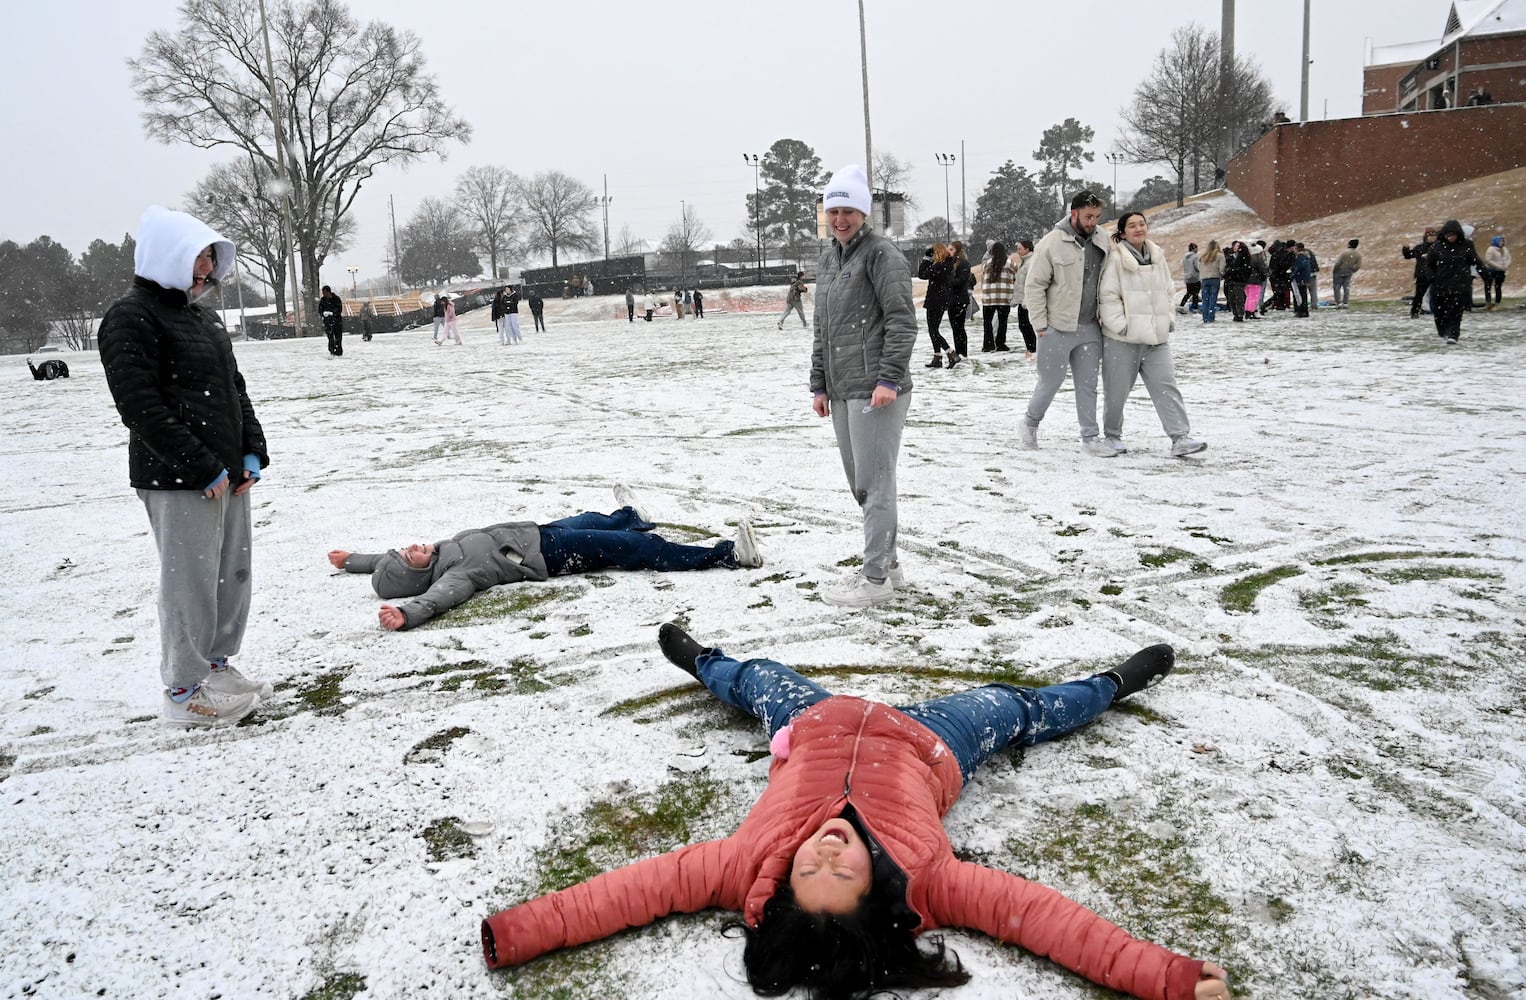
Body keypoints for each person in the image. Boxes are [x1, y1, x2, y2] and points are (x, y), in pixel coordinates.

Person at [481, 623, 1235, 1000]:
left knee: (758, 680)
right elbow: (1045, 920)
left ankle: (702, 660)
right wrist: (1164, 977)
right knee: (1020, 705)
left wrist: (517, 933)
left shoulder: (742, 869)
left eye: (811, 866)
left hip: (813, 721)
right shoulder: (930, 882)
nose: (826, 850)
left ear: (784, 887)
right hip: (931, 741)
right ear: (873, 891)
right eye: (841, 869)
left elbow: (625, 894)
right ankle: (1113, 682)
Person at [97, 206, 272, 727]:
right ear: (167, 255)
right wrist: (199, 467)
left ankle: (215, 667)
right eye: (197, 257)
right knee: (188, 582)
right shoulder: (130, 316)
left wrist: (249, 452)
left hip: (227, 474)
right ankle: (182, 691)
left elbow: (233, 389)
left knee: (230, 576)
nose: (206, 269)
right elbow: (139, 405)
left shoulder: (204, 317)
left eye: (210, 258)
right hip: (177, 478)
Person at [327, 487, 763, 631]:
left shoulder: (437, 550)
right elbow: (439, 598)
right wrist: (406, 614)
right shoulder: (455, 573)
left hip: (536, 532)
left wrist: (351, 561)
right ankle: (728, 555)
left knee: (594, 518)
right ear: (415, 575)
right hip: (552, 556)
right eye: (409, 555)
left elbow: (380, 562)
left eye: (407, 546)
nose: (412, 546)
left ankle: (632, 516)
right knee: (637, 551)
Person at [810, 164, 916, 608]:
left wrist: (888, 377)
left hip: (877, 389)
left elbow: (901, 321)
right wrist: (819, 383)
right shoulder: (829, 258)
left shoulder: (881, 255)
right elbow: (823, 327)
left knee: (875, 484)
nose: (840, 219)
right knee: (862, 485)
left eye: (849, 210)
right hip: (842, 389)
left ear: (864, 212)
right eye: (834, 210)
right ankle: (889, 565)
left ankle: (875, 582)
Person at [1098, 212, 1207, 459]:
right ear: (1123, 232)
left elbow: (1169, 290)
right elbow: (1108, 296)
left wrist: (1168, 319)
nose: (1138, 229)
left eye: (1142, 224)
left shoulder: (1157, 255)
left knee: (1166, 386)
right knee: (1116, 391)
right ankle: (1112, 436)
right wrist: (1122, 326)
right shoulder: (1115, 258)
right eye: (1132, 225)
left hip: (1156, 339)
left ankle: (1180, 437)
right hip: (1122, 340)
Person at [1019, 190, 1115, 456]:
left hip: (1089, 327)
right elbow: (1035, 286)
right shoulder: (1051, 243)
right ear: (1074, 213)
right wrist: (1041, 325)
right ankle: (1029, 424)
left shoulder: (1103, 240)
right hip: (1056, 328)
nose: (1093, 222)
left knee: (1088, 385)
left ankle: (1090, 437)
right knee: (1049, 382)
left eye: (1097, 216)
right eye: (1088, 216)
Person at [1426, 219, 1482, 343]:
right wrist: (1432, 277)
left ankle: (1453, 334)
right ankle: (1443, 331)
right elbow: (1429, 265)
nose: (1451, 238)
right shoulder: (1436, 247)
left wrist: (1485, 275)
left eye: (1453, 235)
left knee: (1455, 312)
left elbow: (1476, 261)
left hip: (1459, 285)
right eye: (1449, 235)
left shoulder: (1466, 245)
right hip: (1440, 285)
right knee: (1440, 313)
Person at [917, 242, 958, 368]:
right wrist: (927, 259)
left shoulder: (942, 265)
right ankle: (937, 357)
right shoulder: (945, 264)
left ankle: (950, 353)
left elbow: (923, 274)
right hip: (939, 299)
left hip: (936, 299)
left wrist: (926, 259)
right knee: (933, 330)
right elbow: (922, 275)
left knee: (933, 330)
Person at [977, 241, 1018, 352]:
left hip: (989, 297)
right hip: (1004, 297)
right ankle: (1000, 343)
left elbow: (983, 276)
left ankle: (988, 344)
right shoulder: (1010, 263)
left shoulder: (987, 264)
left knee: (987, 322)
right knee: (1002, 322)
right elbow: (1016, 277)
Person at [945, 241, 974, 363]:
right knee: (954, 328)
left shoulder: (964, 264)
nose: (949, 252)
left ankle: (963, 352)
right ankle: (959, 351)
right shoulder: (949, 263)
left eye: (951, 249)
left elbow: (960, 281)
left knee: (959, 328)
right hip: (951, 300)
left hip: (960, 299)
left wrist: (948, 278)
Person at [1402, 229, 1438, 317]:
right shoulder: (1420, 247)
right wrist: (1406, 249)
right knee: (1419, 295)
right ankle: (1415, 312)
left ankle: (1437, 310)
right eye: (1430, 236)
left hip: (1436, 274)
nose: (1432, 238)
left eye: (1433, 236)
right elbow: (1408, 256)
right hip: (1422, 275)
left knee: (1438, 294)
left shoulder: (1439, 247)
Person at [1011, 239, 1037, 357]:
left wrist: (1026, 299)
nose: (1018, 251)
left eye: (1020, 249)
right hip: (1022, 300)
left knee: (1026, 325)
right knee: (1023, 325)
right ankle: (1031, 347)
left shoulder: (1030, 262)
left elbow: (1030, 283)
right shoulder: (1024, 262)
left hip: (1027, 300)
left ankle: (1032, 348)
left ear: (1027, 249)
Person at [1221, 240, 1252, 322]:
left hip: (1239, 280)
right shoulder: (1232, 257)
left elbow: (1245, 269)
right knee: (1232, 298)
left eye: (1238, 246)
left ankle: (1239, 314)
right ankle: (1236, 314)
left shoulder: (1244, 258)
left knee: (1238, 298)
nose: (1236, 247)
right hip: (1232, 280)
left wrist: (1233, 271)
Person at [1197, 240, 1223, 323]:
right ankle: (1211, 316)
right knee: (1213, 298)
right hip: (1214, 278)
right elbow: (1222, 269)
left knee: (1205, 299)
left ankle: (1205, 317)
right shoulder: (1220, 256)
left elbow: (1199, 268)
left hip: (1204, 279)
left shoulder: (1203, 256)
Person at [1331, 239, 1362, 308]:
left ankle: (1338, 302)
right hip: (1349, 272)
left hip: (1339, 271)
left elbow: (1338, 263)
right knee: (1346, 287)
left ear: (1349, 244)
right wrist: (1353, 270)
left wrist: (1334, 270)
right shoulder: (1358, 255)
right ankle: (1345, 303)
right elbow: (1358, 265)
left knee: (1337, 287)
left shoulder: (1344, 253)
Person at [1482, 236, 1510, 308]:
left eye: (1502, 241)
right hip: (1490, 270)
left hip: (1501, 271)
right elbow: (1488, 260)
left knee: (1498, 287)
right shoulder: (1491, 249)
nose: (1502, 243)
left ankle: (1497, 303)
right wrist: (1498, 266)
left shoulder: (1504, 249)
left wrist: (1506, 265)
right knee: (1488, 286)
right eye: (1500, 241)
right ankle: (1488, 302)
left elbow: (1508, 258)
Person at [318, 284, 344, 356]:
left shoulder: (336, 299)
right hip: (327, 322)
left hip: (337, 321)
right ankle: (332, 350)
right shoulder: (322, 300)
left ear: (328, 292)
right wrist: (323, 313)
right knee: (330, 337)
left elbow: (339, 309)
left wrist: (332, 313)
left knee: (338, 336)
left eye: (324, 292)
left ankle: (338, 350)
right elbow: (320, 310)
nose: (323, 294)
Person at [1178, 242, 1201, 315]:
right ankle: (1195, 308)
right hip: (1195, 277)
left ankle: (1181, 305)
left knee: (1189, 292)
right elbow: (1197, 267)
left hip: (1187, 277)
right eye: (1197, 248)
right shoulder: (1195, 256)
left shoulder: (1185, 256)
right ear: (1194, 249)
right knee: (1195, 293)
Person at [1291, 245, 1313, 318]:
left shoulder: (1300, 257)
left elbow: (1299, 267)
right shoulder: (1306, 256)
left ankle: (1301, 311)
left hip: (1301, 278)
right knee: (1304, 294)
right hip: (1305, 277)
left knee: (1300, 295)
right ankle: (1305, 310)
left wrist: (1293, 274)